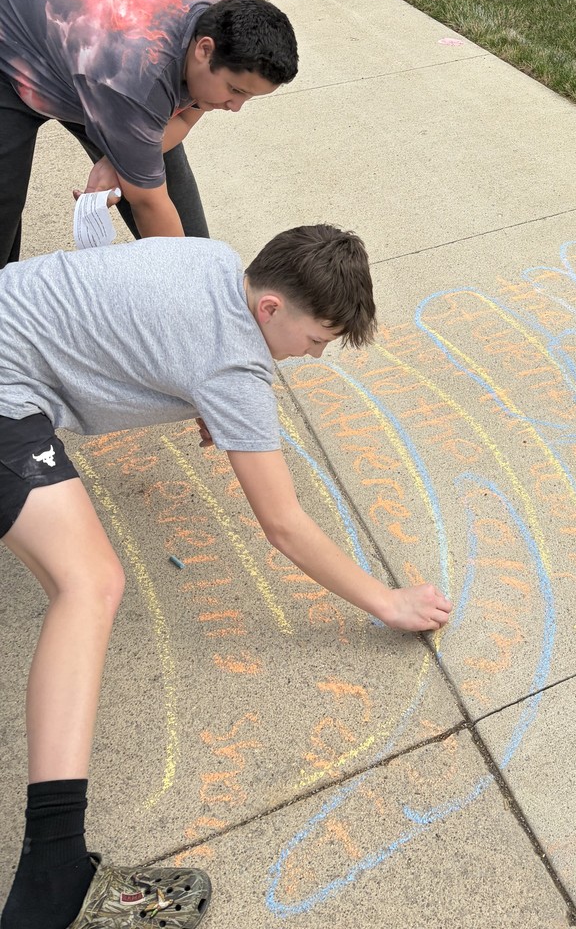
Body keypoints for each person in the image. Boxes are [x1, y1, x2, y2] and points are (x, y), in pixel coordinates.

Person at [0, 224, 452, 929]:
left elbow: (140, 322)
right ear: (271, 309)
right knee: (91, 584)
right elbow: (284, 526)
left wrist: (200, 398)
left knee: (70, 580)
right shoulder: (233, 368)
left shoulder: (211, 258)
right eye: (317, 339)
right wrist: (386, 601)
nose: (316, 355)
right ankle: (51, 877)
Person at [0, 0, 299, 267]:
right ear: (204, 50)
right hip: (11, 50)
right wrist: (194, 285)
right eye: (235, 90)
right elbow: (148, 204)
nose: (236, 106)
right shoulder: (134, 79)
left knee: (189, 233)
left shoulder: (224, 23)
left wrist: (118, 164)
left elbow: (184, 117)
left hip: (81, 61)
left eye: (248, 97)